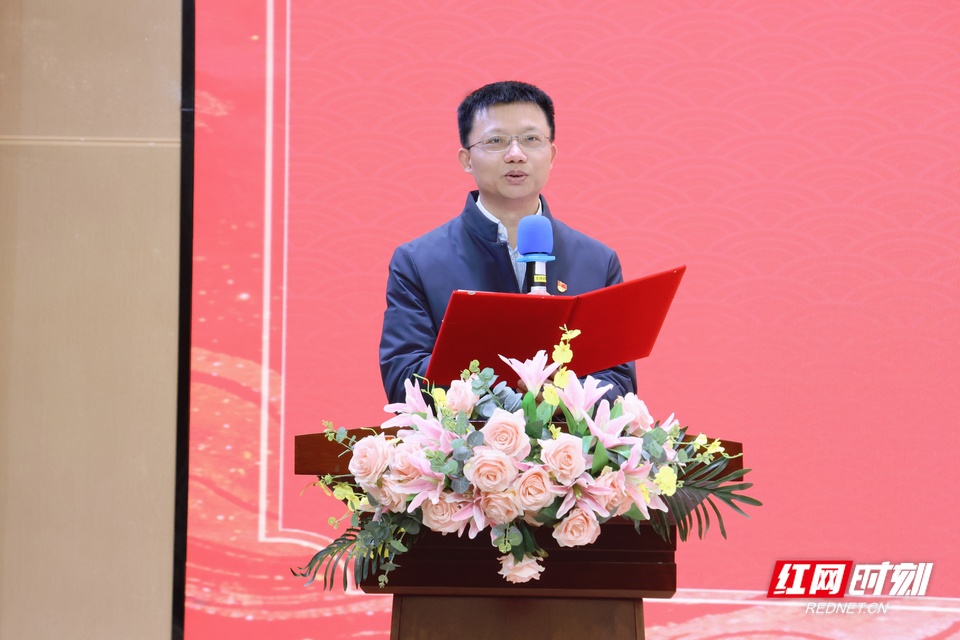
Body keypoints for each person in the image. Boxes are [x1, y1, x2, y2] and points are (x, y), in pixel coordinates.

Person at [379, 80, 637, 404]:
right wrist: (508, 392)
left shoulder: (597, 262)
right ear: (466, 159)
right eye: (496, 141)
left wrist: (560, 399)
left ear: (551, 154)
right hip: (467, 438)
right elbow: (404, 379)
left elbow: (619, 381)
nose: (516, 155)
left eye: (531, 139)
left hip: (567, 437)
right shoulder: (418, 262)